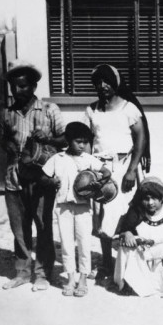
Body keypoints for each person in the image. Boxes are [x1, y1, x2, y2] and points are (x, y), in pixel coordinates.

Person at [1, 60, 66, 291]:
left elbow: (65, 140)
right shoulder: (7, 113)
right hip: (14, 177)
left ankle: (42, 273)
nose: (18, 91)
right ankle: (21, 271)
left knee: (43, 225)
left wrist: (47, 139)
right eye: (14, 86)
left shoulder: (50, 110)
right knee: (19, 227)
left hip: (41, 178)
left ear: (34, 86)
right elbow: (4, 138)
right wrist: (7, 143)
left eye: (23, 86)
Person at [83, 64, 149, 284]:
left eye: (107, 82)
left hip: (123, 168)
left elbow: (141, 139)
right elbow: (87, 141)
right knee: (102, 216)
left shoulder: (128, 108)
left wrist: (131, 170)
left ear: (115, 83)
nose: (103, 87)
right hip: (100, 170)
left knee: (124, 215)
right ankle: (107, 264)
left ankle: (128, 264)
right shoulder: (91, 111)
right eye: (98, 83)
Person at [42, 122, 111, 297]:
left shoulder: (88, 159)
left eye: (85, 142)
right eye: (78, 141)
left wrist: (98, 183)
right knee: (66, 243)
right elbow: (43, 176)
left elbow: (106, 172)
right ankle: (70, 278)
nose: (82, 145)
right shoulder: (58, 158)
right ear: (68, 140)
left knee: (84, 243)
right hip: (63, 206)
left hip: (83, 207)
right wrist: (51, 182)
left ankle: (82, 279)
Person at [114, 177, 163, 296]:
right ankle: (128, 283)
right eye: (146, 199)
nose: (150, 203)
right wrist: (127, 233)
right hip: (145, 250)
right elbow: (122, 231)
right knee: (125, 247)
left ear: (162, 197)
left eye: (154, 198)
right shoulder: (136, 209)